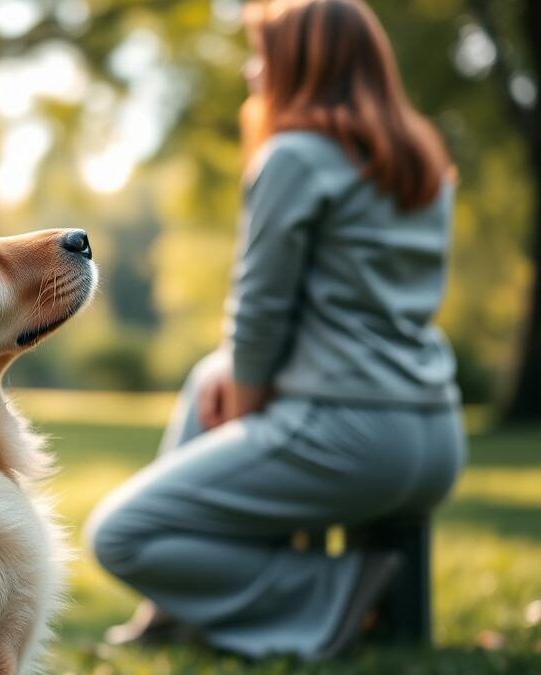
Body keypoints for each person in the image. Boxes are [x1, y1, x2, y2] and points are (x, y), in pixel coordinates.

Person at [85, 0, 466, 661]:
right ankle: (176, 609)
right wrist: (229, 379)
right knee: (213, 370)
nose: (251, 70)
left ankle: (338, 591)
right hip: (436, 436)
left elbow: (259, 313)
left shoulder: (294, 156)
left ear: (302, 64)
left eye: (263, 54)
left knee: (121, 534)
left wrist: (245, 417)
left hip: (349, 432)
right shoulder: (423, 161)